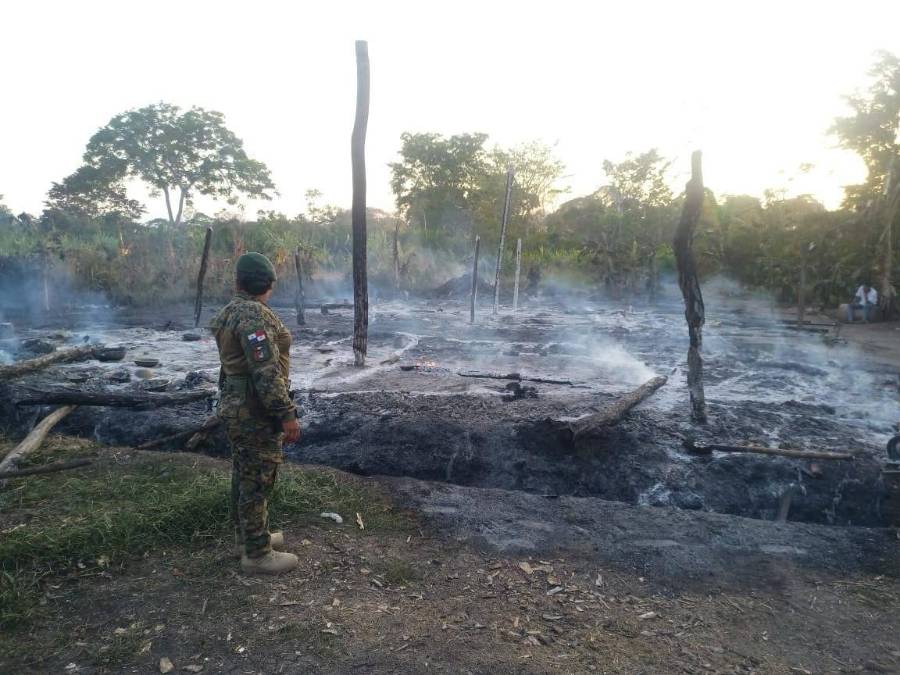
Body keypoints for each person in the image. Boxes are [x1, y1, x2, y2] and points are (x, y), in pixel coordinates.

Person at [211, 252, 302, 575]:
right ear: (269, 284)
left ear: (238, 281)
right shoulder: (253, 316)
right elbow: (265, 371)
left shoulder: (231, 311)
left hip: (237, 404)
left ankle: (248, 538)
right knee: (258, 477)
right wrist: (286, 413)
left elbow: (231, 367)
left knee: (244, 472)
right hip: (254, 410)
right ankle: (258, 554)